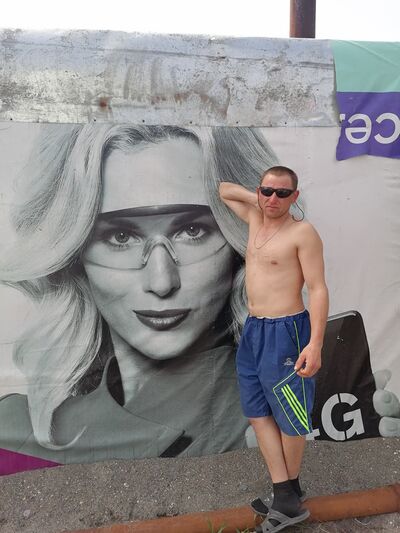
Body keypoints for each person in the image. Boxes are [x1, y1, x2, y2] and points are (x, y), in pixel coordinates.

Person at [0, 124, 279, 472]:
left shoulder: (288, 407)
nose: (162, 282)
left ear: (243, 242)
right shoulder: (17, 433)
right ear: (73, 254)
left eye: (193, 230)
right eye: (120, 237)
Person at [219, 166, 329, 532]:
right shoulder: (255, 218)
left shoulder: (302, 232)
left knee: (290, 415)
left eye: (283, 194)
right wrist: (261, 202)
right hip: (255, 329)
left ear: (295, 197)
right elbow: (224, 190)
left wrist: (315, 343)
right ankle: (287, 492)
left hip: (288, 331)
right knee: (256, 410)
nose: (273, 198)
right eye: (268, 191)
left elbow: (317, 289)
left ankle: (286, 498)